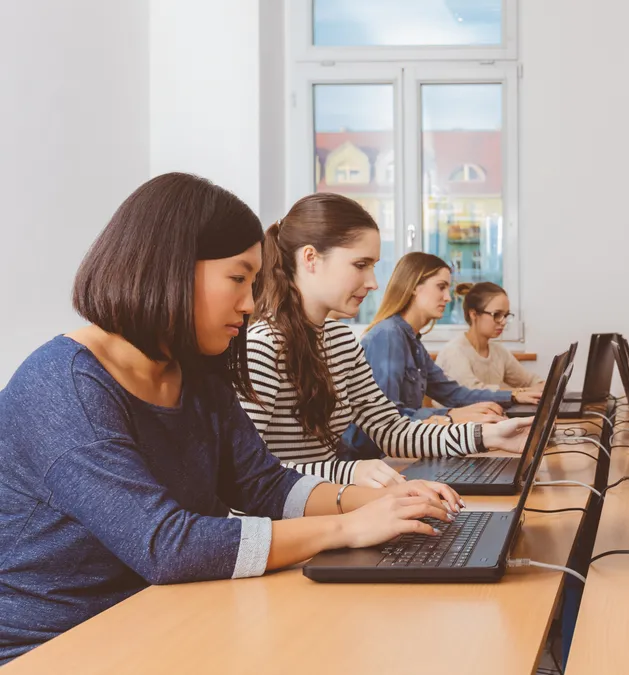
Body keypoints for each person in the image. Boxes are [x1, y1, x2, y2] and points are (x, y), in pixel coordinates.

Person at [0, 174, 463, 664]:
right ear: (170, 269)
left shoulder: (194, 372)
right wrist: (349, 527)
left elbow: (266, 486)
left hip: (164, 615)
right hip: (53, 647)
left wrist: (384, 501)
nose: (248, 303)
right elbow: (167, 545)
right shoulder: (64, 385)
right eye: (238, 279)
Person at [243, 194, 532, 485]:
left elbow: (392, 431)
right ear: (310, 258)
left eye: (373, 266)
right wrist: (350, 472)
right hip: (287, 524)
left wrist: (489, 436)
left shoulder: (341, 341)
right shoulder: (261, 347)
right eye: (360, 265)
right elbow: (246, 473)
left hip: (328, 508)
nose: (373, 282)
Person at [435, 282, 545, 395]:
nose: (503, 321)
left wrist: (542, 387)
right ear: (473, 314)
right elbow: (471, 393)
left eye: (506, 315)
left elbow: (529, 381)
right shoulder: (454, 352)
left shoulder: (498, 351)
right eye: (497, 315)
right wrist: (520, 392)